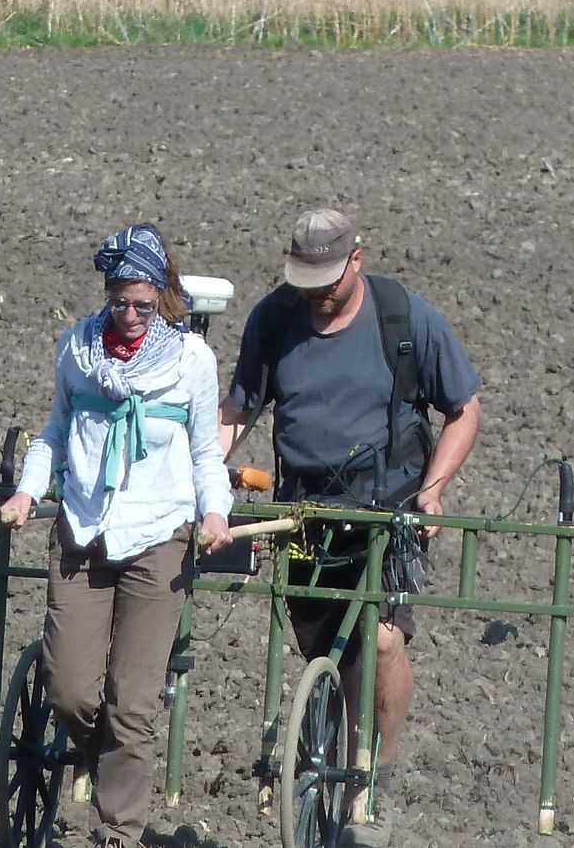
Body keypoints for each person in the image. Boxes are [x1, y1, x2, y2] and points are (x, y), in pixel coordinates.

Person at [218, 208, 482, 846]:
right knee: (322, 651)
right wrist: (200, 476)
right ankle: (327, 755)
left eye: (329, 279)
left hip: (386, 506)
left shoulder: (404, 317)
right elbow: (240, 408)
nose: (319, 292)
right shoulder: (274, 319)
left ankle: (374, 784)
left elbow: (464, 408)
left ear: (356, 261)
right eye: (307, 279)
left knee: (383, 641)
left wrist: (434, 492)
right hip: (304, 510)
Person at [0, 223, 233, 848]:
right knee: (71, 689)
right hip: (83, 531)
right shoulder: (76, 350)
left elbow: (207, 453)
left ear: (163, 299)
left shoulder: (190, 361)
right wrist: (28, 490)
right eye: (120, 302)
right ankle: (102, 756)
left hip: (159, 536)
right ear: (106, 294)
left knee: (133, 703)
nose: (130, 315)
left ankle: (119, 831)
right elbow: (53, 433)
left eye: (144, 305)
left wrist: (216, 513)